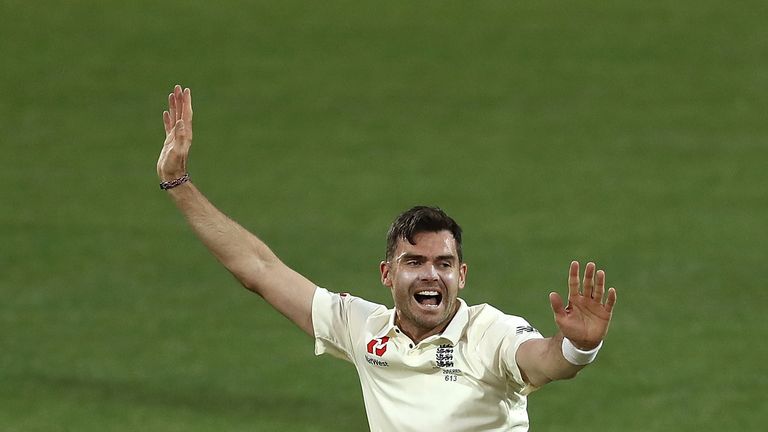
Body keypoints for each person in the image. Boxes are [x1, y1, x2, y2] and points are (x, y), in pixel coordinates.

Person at [157, 85, 618, 432]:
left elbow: (542, 361)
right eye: (414, 261)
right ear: (387, 273)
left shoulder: (488, 332)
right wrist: (178, 182)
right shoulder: (364, 330)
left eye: (443, 263)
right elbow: (259, 270)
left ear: (462, 274)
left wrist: (577, 347)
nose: (430, 274)